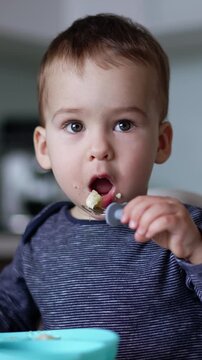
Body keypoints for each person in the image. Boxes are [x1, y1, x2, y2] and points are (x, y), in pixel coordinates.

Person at [0, 13, 202, 359]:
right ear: (44, 148)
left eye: (124, 124)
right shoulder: (40, 238)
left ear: (161, 143)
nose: (99, 148)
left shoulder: (183, 229)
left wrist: (195, 253)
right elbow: (8, 315)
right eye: (75, 125)